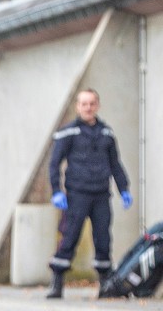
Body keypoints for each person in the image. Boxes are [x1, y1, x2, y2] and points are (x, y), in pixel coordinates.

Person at [46, 88, 133, 298]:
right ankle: (56, 284)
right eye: (84, 104)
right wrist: (57, 191)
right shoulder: (68, 132)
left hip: (101, 195)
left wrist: (124, 189)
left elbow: (115, 164)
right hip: (76, 196)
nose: (88, 107)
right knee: (69, 239)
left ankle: (105, 285)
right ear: (78, 107)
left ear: (98, 106)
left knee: (103, 239)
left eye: (92, 103)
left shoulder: (107, 133)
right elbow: (54, 163)